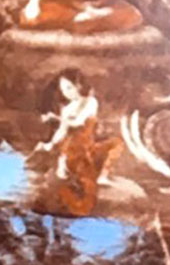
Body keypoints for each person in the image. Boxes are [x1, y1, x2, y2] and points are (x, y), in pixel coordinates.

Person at [34, 73, 122, 216]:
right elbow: (62, 131)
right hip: (71, 146)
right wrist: (49, 144)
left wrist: (55, 118)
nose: (66, 92)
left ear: (78, 86)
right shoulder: (67, 108)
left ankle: (103, 175)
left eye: (69, 87)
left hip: (86, 145)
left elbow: (78, 122)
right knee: (68, 178)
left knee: (117, 143)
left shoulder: (90, 102)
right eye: (63, 89)